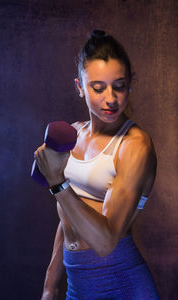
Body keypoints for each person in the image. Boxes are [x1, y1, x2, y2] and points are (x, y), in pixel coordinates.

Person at [35, 29, 160, 300]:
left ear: (130, 85)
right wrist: (50, 284)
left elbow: (105, 242)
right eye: (98, 87)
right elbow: (66, 213)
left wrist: (58, 182)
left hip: (121, 283)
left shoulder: (134, 145)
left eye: (119, 85)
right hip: (78, 285)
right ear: (80, 87)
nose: (111, 99)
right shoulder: (73, 134)